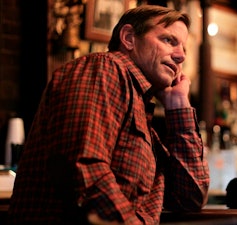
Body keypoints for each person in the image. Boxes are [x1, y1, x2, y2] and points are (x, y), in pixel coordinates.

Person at [7, 4, 209, 225]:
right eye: (169, 40)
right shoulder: (104, 68)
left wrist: (177, 105)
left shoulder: (141, 107)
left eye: (184, 49)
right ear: (129, 38)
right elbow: (84, 171)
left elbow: (189, 197)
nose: (181, 56)